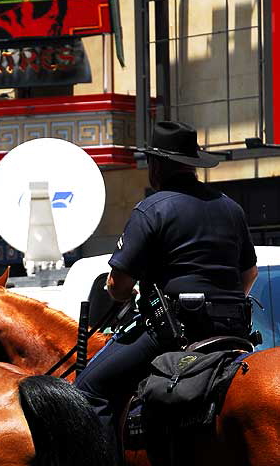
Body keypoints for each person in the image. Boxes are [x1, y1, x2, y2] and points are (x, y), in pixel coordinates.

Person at [75, 120, 258, 458]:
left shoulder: (152, 209)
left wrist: (119, 295)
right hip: (234, 331)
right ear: (192, 164)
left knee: (88, 388)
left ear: (157, 165)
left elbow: (119, 284)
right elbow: (250, 273)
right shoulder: (231, 207)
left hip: (172, 333)